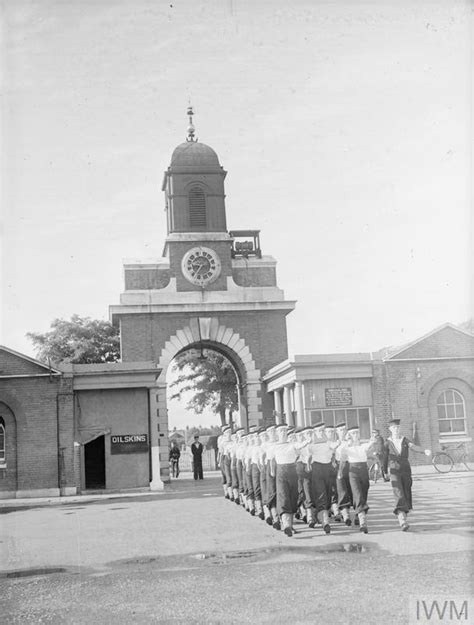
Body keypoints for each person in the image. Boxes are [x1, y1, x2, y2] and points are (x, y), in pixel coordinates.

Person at [384, 418, 432, 531]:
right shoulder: (387, 442)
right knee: (398, 492)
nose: (396, 429)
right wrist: (384, 472)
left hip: (405, 469)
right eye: (394, 427)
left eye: (398, 427)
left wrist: (424, 451)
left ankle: (404, 517)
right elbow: (384, 458)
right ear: (390, 429)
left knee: (406, 491)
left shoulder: (404, 440)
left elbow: (413, 447)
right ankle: (402, 520)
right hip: (394, 469)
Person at [338, 426, 377, 533]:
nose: (356, 435)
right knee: (357, 493)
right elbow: (341, 458)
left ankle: (357, 514)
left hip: (363, 471)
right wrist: (340, 472)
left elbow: (370, 446)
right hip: (353, 471)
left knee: (363, 493)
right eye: (353, 433)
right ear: (349, 435)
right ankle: (362, 522)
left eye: (357, 433)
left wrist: (372, 441)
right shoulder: (346, 447)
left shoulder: (363, 445)